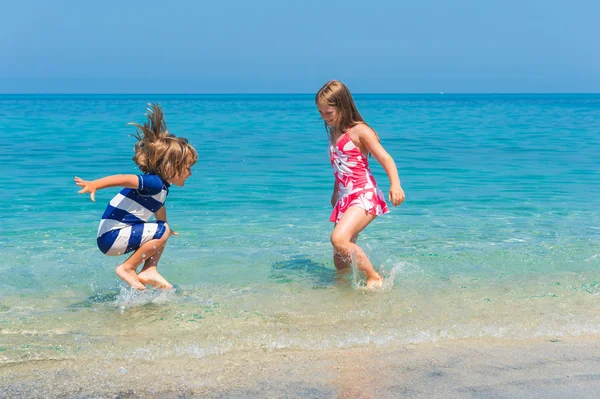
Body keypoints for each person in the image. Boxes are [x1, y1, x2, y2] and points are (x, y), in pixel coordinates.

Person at [74, 103, 197, 290]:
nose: (190, 173)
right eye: (187, 168)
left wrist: (165, 230)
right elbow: (124, 179)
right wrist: (95, 184)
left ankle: (149, 270)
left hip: (112, 238)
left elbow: (159, 208)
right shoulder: (153, 182)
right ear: (170, 167)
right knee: (161, 230)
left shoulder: (161, 188)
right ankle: (128, 268)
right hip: (111, 237)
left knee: (163, 229)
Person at [316, 80, 405, 288]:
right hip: (346, 198)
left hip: (364, 194)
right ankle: (346, 292)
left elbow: (386, 158)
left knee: (338, 239)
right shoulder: (333, 132)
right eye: (320, 113)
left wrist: (395, 185)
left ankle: (374, 278)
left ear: (342, 105)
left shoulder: (360, 131)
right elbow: (341, 167)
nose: (324, 118)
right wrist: (336, 193)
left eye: (328, 112)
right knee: (340, 261)